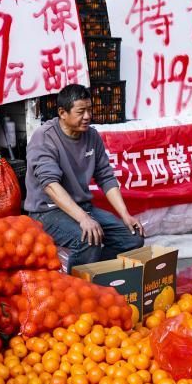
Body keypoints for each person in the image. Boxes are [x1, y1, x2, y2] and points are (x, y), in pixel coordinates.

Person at [25, 84, 145, 270]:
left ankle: (96, 274)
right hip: (47, 212)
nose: (88, 116)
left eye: (90, 110)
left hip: (83, 207)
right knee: (88, 239)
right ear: (62, 113)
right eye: (81, 111)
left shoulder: (91, 136)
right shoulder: (45, 137)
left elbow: (105, 176)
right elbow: (50, 185)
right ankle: (78, 288)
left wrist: (125, 215)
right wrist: (83, 219)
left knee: (133, 238)